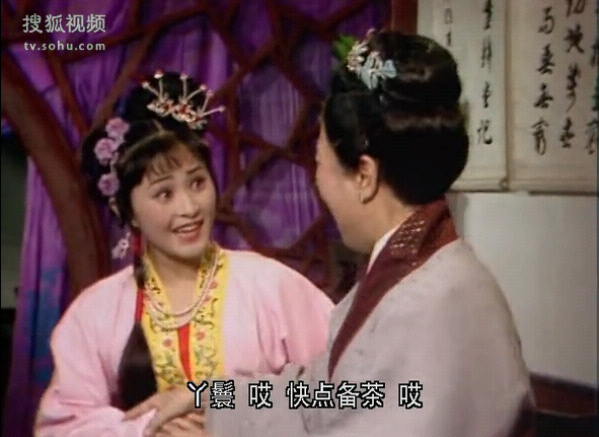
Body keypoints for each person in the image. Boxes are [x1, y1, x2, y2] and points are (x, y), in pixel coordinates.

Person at [128, 31, 535, 437]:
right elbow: (327, 396)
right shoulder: (413, 273)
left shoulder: (428, 306)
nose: (316, 180)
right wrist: (208, 396)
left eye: (319, 161)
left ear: (364, 176)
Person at [33, 71, 333, 437]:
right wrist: (147, 429)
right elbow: (61, 427)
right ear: (129, 212)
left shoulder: (271, 286)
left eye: (197, 183)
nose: (190, 208)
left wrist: (232, 419)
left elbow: (343, 392)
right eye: (164, 194)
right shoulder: (96, 311)